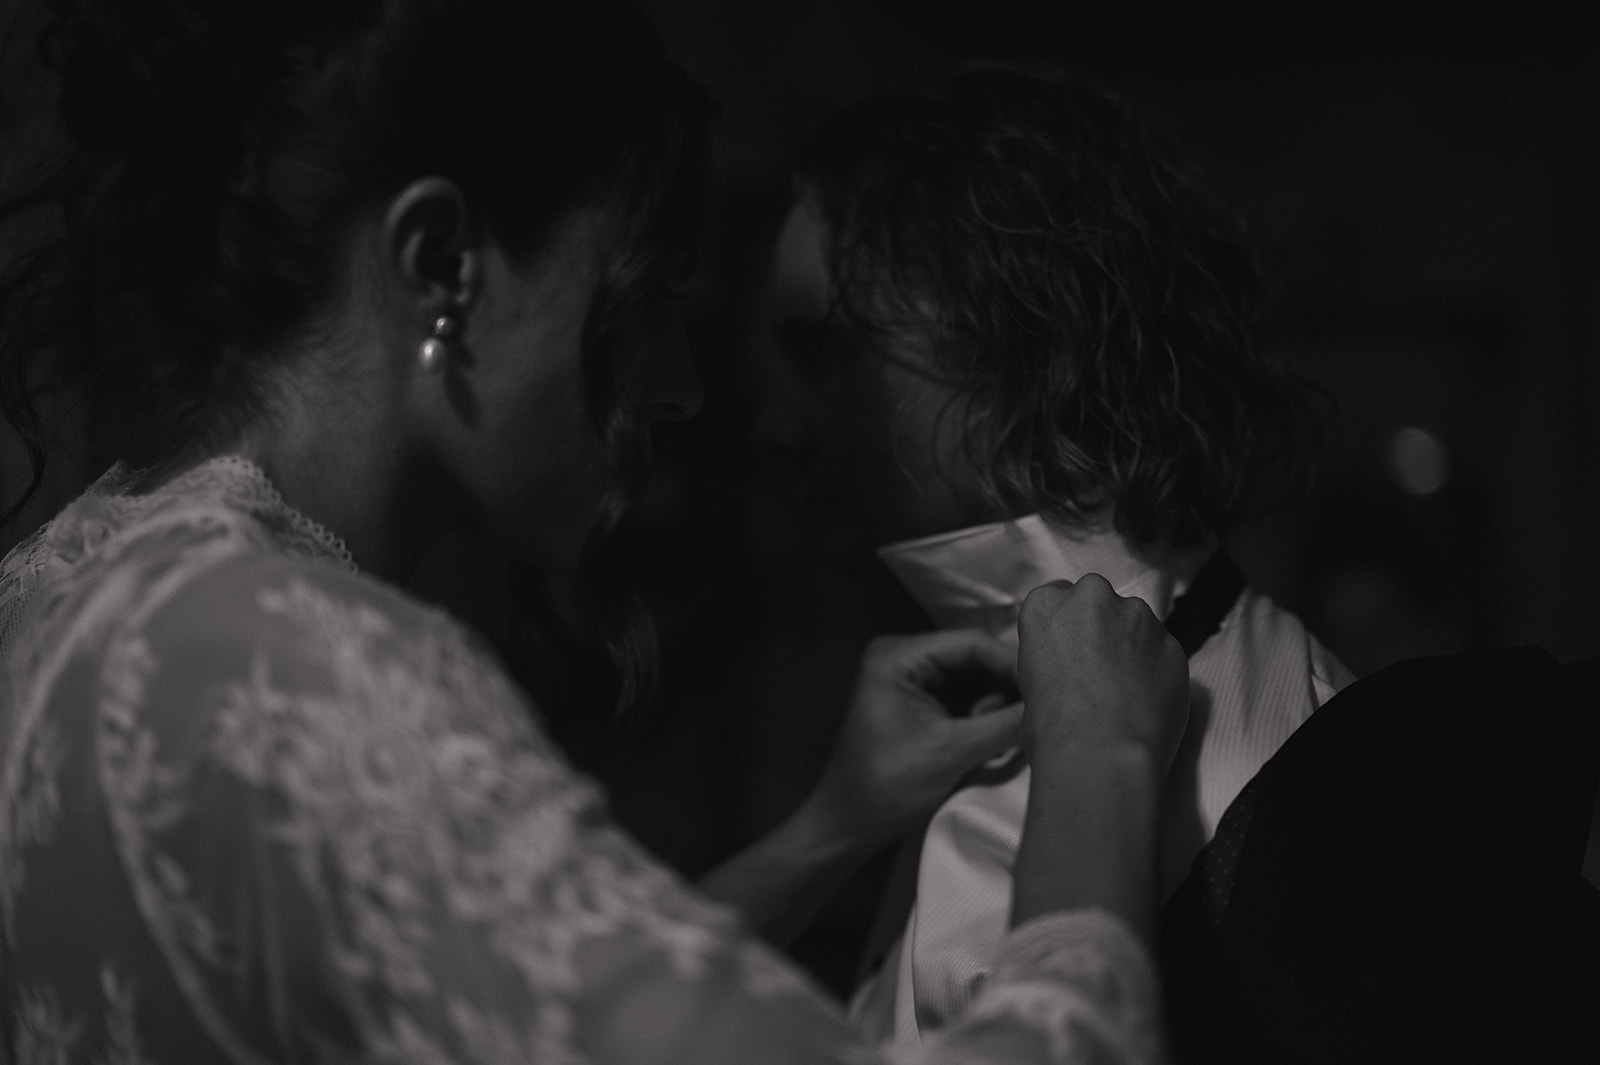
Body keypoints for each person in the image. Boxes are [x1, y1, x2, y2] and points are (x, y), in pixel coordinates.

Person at [0, 3, 1192, 1062]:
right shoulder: (303, 664)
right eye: (651, 292)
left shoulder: (74, 583)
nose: (679, 384)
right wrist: (1100, 758)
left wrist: (824, 832)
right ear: (443, 264)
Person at [755, 65, 1355, 1039]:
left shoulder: (1281, 770)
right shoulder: (966, 714)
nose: (774, 426)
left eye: (824, 354)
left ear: (1024, 334)